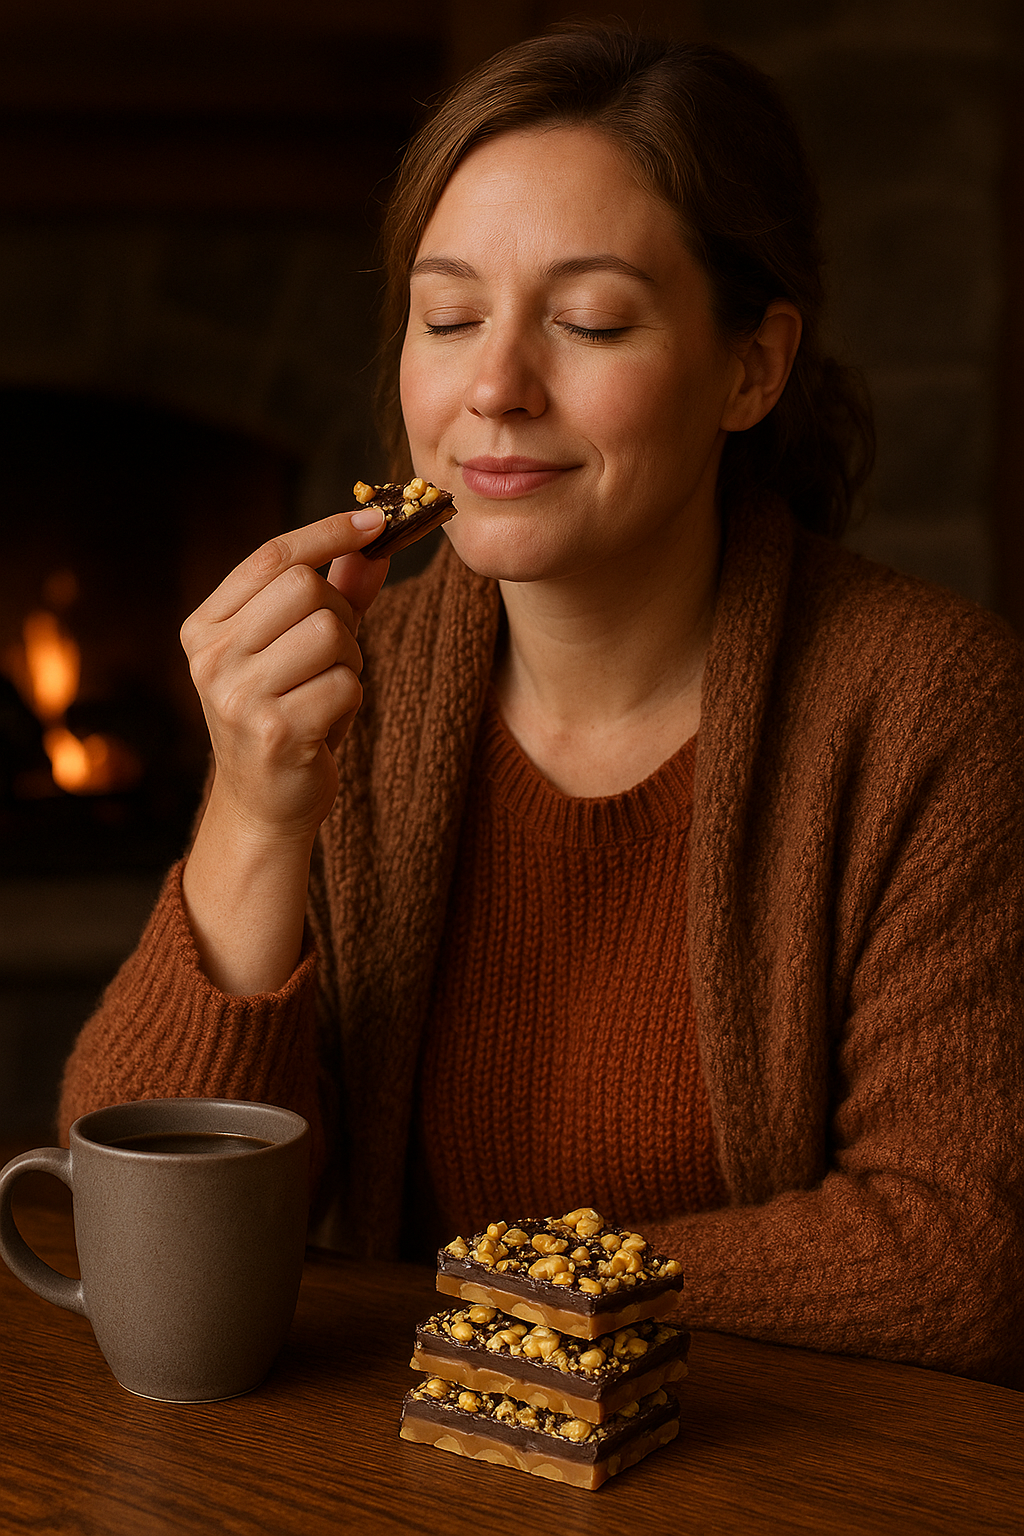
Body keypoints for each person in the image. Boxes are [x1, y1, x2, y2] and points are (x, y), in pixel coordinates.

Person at [59, 28, 1024, 1387]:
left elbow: (960, 1257)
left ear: (750, 369)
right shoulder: (350, 693)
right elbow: (143, 1246)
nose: (493, 387)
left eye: (589, 323)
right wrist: (257, 813)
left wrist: (491, 1295)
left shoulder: (936, 712)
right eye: (448, 318)